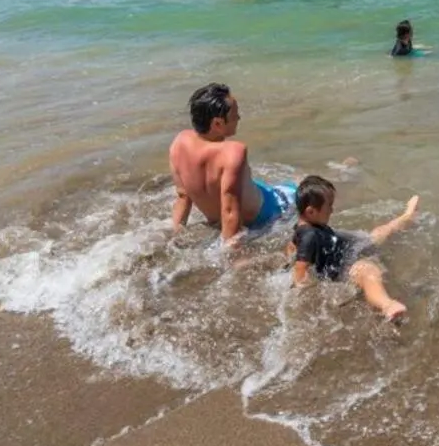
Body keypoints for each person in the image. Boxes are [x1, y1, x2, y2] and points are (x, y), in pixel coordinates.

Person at [168, 82, 296, 247]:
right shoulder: (232, 152)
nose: (239, 118)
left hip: (226, 209)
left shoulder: (180, 142)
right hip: (266, 212)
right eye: (235, 114)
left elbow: (183, 196)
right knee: (299, 188)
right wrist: (231, 257)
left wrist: (175, 237)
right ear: (218, 124)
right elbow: (229, 211)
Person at [290, 175, 419, 323]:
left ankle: (407, 216)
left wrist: (288, 261)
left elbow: (293, 245)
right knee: (368, 272)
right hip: (345, 263)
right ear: (311, 212)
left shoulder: (302, 228)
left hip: (346, 247)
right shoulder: (310, 235)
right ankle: (387, 304)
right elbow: (300, 270)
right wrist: (303, 295)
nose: (332, 210)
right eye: (329, 205)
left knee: (376, 236)